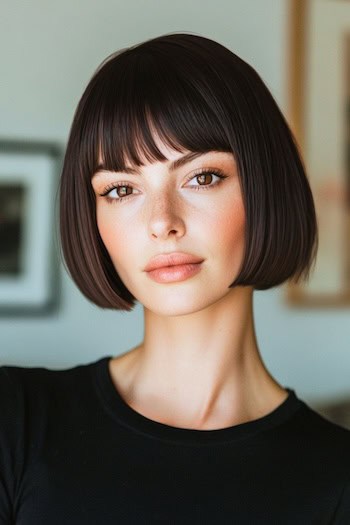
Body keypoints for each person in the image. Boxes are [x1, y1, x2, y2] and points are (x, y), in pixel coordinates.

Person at [0, 32, 349, 524]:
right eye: (121, 189)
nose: (162, 221)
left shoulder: (338, 478)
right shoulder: (15, 421)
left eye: (202, 177)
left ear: (265, 188)